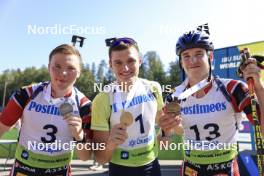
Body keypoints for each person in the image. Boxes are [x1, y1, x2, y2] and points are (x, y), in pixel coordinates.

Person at [160, 29, 264, 175]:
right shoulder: (173, 96)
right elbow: (164, 144)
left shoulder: (233, 88)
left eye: (199, 54)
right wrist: (166, 132)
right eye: (186, 56)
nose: (193, 60)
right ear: (181, 62)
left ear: (210, 56)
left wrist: (259, 87)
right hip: (191, 169)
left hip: (225, 169)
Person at [0, 44, 92, 176]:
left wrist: (79, 136)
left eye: (71, 68)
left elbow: (85, 157)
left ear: (79, 73)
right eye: (57, 67)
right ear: (49, 67)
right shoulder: (26, 94)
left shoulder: (85, 106)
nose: (63, 73)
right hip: (23, 170)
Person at [84, 37, 164, 176]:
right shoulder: (102, 99)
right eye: (118, 63)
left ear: (139, 60)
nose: (125, 68)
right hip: (120, 169)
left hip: (152, 167)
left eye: (131, 61)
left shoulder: (154, 88)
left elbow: (162, 130)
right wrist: (110, 143)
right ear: (110, 64)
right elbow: (101, 159)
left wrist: (168, 130)